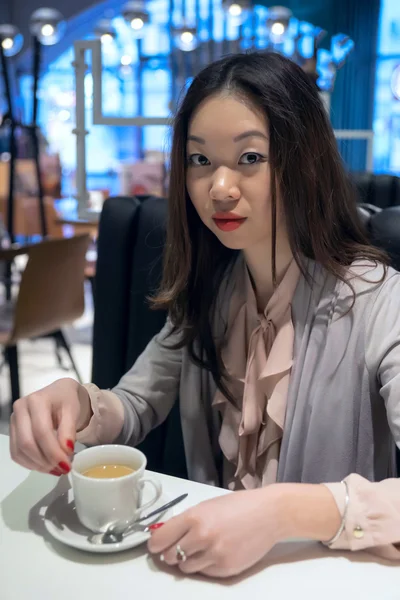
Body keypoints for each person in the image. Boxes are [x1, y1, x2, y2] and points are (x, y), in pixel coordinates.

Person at [9, 52, 400, 578]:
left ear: (303, 159)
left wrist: (284, 511)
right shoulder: (212, 293)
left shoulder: (381, 302)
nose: (219, 187)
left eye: (250, 158)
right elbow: (132, 403)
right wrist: (74, 404)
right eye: (199, 160)